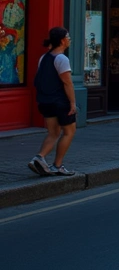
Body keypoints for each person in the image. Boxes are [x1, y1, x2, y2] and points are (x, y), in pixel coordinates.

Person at [29, 27, 78, 177]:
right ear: (62, 40)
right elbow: (67, 83)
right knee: (69, 132)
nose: (69, 39)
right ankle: (57, 165)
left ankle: (39, 158)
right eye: (68, 37)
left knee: (53, 132)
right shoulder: (62, 59)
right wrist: (72, 103)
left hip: (46, 101)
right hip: (60, 102)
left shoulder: (44, 58)